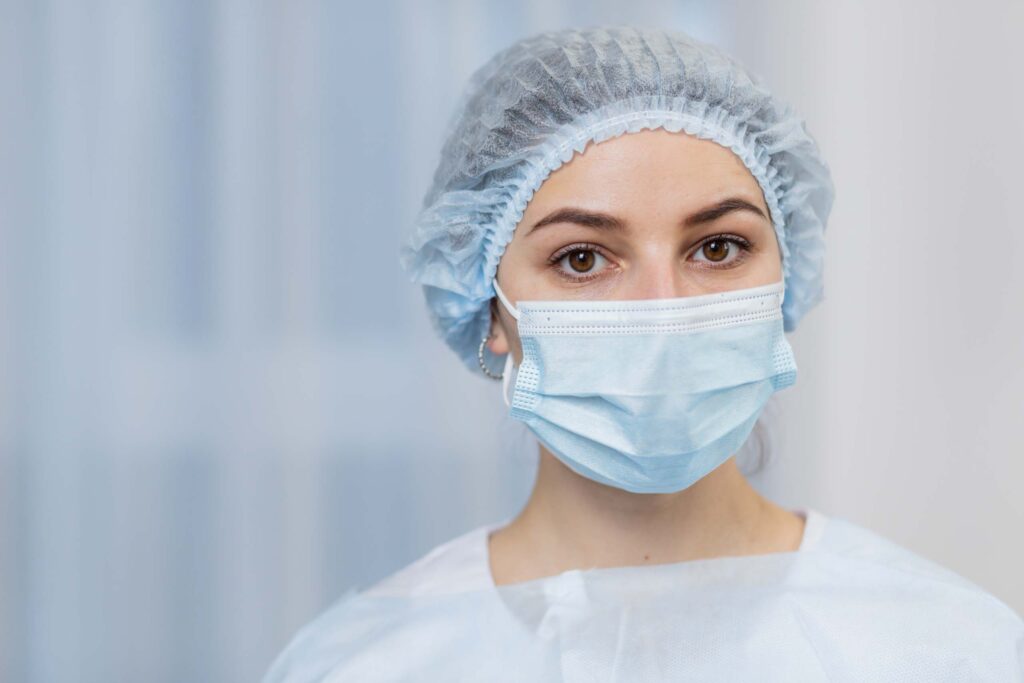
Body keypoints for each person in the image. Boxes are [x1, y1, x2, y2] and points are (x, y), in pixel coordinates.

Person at [265, 26, 1024, 681]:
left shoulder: (950, 651)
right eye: (584, 259)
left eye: (718, 247)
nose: (663, 309)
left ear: (785, 273)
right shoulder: (369, 664)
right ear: (490, 307)